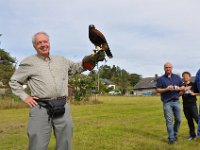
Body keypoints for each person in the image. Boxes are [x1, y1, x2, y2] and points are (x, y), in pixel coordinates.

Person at [9, 32, 105, 150]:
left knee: (65, 143)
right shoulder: (28, 63)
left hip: (63, 107)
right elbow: (14, 81)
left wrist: (93, 59)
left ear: (49, 43)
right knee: (37, 145)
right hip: (40, 108)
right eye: (39, 43)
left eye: (45, 41)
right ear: (34, 46)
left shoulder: (61, 60)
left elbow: (77, 67)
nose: (43, 45)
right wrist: (25, 97)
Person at [156, 62, 184, 144]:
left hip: (176, 101)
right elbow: (157, 90)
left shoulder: (177, 77)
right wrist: (166, 89)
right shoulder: (161, 79)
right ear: (164, 68)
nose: (168, 69)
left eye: (169, 67)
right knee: (169, 121)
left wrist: (178, 88)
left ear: (172, 68)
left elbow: (183, 87)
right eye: (166, 67)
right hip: (167, 102)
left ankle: (175, 134)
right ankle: (171, 138)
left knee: (179, 119)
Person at [180, 71, 198, 140]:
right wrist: (184, 90)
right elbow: (179, 94)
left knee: (197, 119)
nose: (185, 77)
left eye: (186, 76)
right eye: (184, 76)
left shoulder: (194, 84)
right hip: (185, 105)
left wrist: (194, 94)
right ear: (182, 78)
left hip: (193, 104)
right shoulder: (181, 85)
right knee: (189, 121)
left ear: (189, 77)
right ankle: (192, 135)